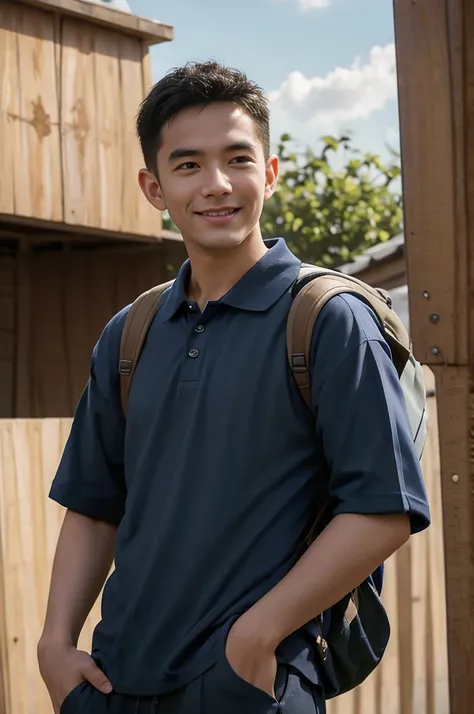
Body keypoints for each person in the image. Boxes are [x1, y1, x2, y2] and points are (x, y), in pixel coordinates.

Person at [38, 61, 430, 714]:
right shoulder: (129, 334)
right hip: (111, 684)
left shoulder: (329, 320)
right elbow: (94, 504)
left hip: (248, 685)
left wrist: (258, 634)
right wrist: (54, 643)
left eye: (238, 159)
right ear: (154, 186)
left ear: (269, 173)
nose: (216, 185)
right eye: (188, 165)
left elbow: (382, 510)